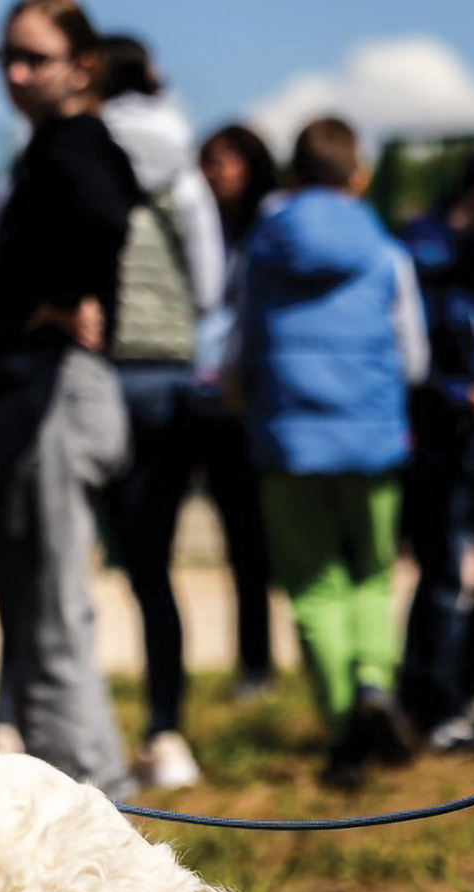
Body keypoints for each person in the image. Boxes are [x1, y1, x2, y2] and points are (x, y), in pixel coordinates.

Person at [227, 117, 427, 789]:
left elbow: (243, 344)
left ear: (291, 176)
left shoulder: (263, 247)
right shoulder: (386, 252)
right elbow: (414, 358)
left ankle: (345, 729)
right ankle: (373, 683)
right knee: (372, 571)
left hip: (289, 439)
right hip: (371, 439)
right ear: (359, 176)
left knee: (314, 585)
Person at [0, 0, 140, 797]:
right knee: (31, 595)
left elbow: (108, 215)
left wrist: (61, 295)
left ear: (82, 67)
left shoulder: (78, 144)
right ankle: (65, 786)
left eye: (33, 58)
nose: (15, 74)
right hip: (35, 385)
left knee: (54, 601)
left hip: (61, 388)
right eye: (6, 57)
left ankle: (99, 794)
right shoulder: (49, 147)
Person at [96, 34, 225, 789]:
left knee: (64, 564)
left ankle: (59, 733)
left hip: (92, 375)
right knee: (155, 569)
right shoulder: (184, 172)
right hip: (167, 378)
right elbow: (208, 285)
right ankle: (167, 730)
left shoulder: (70, 154)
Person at [399, 146, 474, 753]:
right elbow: (410, 355)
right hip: (446, 441)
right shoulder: (425, 250)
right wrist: (464, 397)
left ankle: (462, 691)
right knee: (443, 575)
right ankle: (429, 705)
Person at [195, 123, 280, 702]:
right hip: (208, 398)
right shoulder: (198, 226)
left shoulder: (273, 228)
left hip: (261, 399)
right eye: (210, 160)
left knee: (267, 542)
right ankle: (255, 663)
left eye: (229, 160)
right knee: (241, 542)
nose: (217, 171)